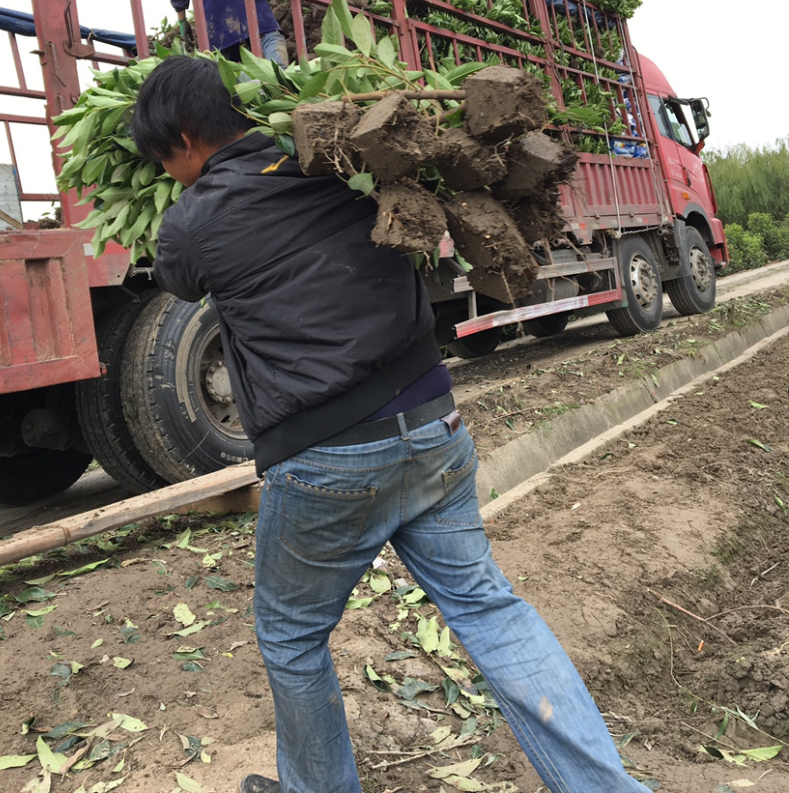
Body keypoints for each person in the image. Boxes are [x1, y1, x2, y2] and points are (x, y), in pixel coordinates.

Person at [130, 56, 650, 793]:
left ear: (183, 139)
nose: (168, 172)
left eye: (164, 159)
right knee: (489, 608)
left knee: (291, 636)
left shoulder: (193, 220)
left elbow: (176, 275)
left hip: (326, 463)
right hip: (435, 428)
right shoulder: (346, 165)